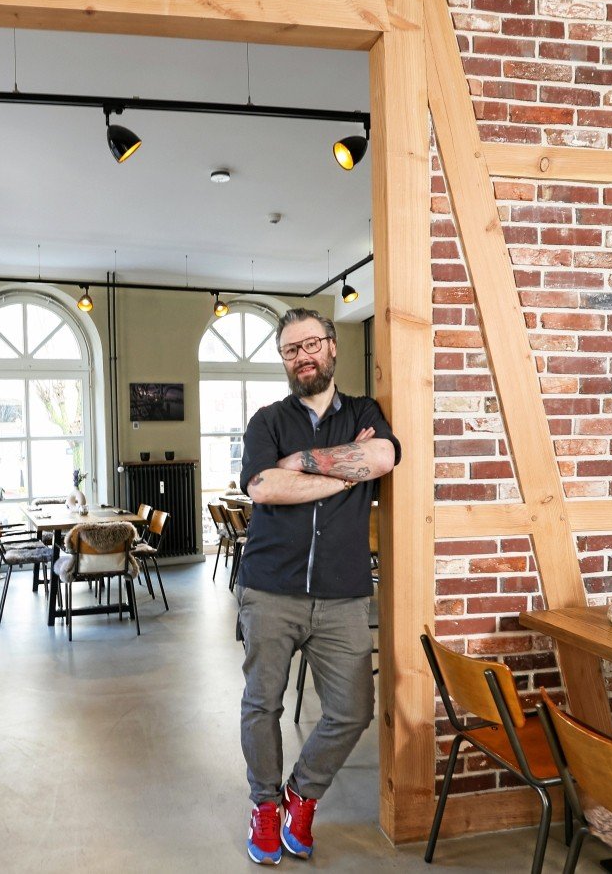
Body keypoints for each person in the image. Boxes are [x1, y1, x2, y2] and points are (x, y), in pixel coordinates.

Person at [235, 307, 400, 864]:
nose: (302, 356)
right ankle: (263, 805)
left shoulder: (365, 412)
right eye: (290, 350)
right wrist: (345, 470)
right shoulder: (266, 420)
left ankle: (300, 793)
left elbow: (383, 455)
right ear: (283, 361)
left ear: (332, 347)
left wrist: (303, 465)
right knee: (262, 705)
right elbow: (262, 486)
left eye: (311, 345)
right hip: (269, 590)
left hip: (344, 595)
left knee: (353, 710)